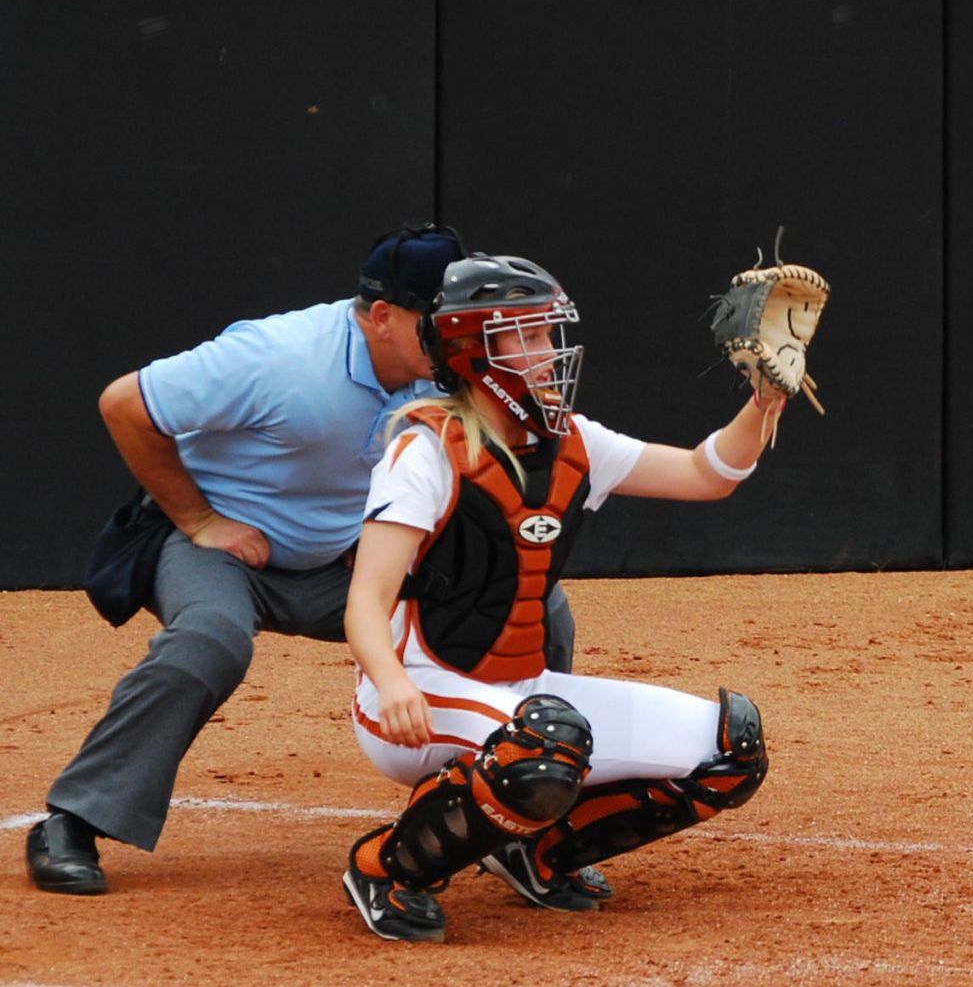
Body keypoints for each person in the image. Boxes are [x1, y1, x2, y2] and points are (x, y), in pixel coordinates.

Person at [26, 225, 580, 896]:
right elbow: (124, 404)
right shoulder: (280, 358)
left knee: (533, 603)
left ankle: (516, 809)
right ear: (383, 316)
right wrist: (201, 519)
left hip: (342, 564)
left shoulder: (451, 375)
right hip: (223, 550)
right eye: (438, 319)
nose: (456, 333)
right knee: (210, 639)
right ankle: (74, 820)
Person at [339, 253, 775, 943]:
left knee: (731, 749)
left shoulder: (572, 441)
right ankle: (386, 869)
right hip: (417, 692)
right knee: (546, 745)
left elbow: (705, 473)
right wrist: (390, 681)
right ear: (475, 349)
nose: (550, 351)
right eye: (530, 335)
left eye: (549, 333)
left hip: (521, 692)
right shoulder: (426, 452)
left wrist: (763, 402)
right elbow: (366, 600)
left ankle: (537, 852)